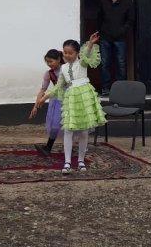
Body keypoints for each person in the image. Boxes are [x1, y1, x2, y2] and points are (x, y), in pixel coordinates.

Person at [38, 33, 108, 173]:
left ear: (77, 53)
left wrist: (89, 44)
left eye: (71, 53)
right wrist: (44, 97)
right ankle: (68, 161)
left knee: (83, 130)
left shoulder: (81, 63)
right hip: (71, 100)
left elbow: (87, 54)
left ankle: (81, 160)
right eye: (65, 52)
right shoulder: (63, 68)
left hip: (84, 98)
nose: (67, 55)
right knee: (68, 130)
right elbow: (58, 87)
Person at [97, 0, 135, 95]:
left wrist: (123, 31)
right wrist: (101, 31)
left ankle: (121, 90)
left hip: (120, 38)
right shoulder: (103, 0)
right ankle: (105, 89)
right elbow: (99, 18)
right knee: (104, 63)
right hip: (105, 37)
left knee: (121, 64)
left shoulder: (128, 2)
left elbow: (131, 20)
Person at [28, 49, 64, 155]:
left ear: (58, 59)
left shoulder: (66, 69)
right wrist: (35, 106)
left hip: (70, 99)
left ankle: (79, 147)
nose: (49, 64)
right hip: (57, 101)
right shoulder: (49, 74)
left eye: (51, 61)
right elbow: (43, 90)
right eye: (47, 62)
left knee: (71, 125)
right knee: (55, 125)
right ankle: (48, 147)